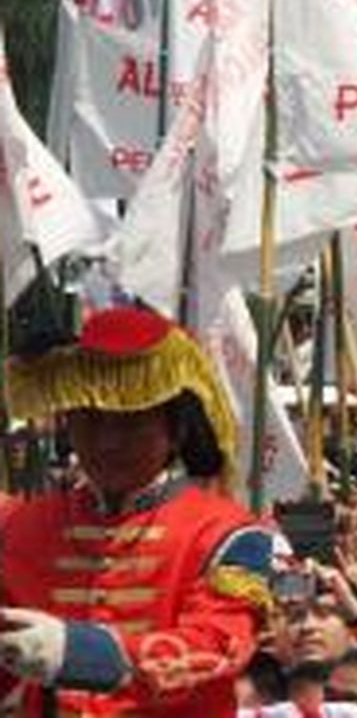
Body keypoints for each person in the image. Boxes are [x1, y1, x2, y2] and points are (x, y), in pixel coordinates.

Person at [0, 306, 275, 716]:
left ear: (174, 429)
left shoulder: (227, 532)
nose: (108, 442)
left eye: (131, 424)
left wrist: (87, 654)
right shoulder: (19, 524)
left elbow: (220, 645)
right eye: (90, 421)